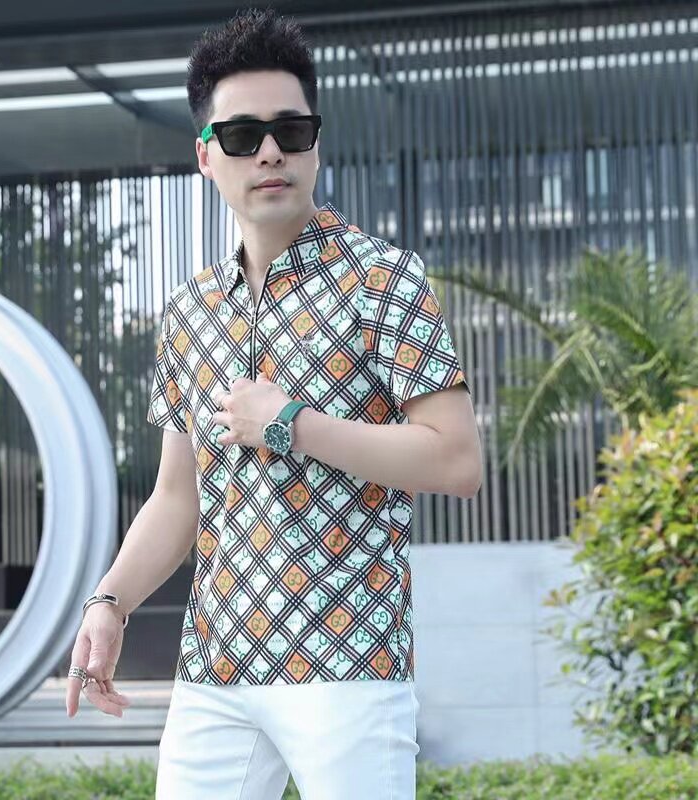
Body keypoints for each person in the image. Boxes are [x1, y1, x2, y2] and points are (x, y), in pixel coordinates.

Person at [65, 7, 482, 799]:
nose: (269, 151)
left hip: (346, 663)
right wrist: (110, 604)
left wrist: (292, 424)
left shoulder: (384, 279)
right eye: (242, 135)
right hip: (216, 668)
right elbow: (178, 497)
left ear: (315, 144)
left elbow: (456, 460)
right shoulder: (189, 311)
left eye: (291, 130)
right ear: (205, 155)